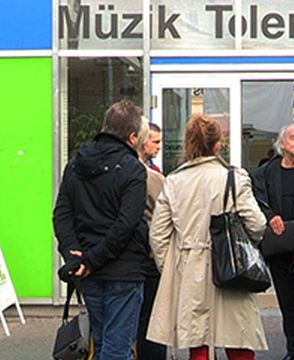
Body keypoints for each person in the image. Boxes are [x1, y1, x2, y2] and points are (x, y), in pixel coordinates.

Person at [146, 114, 268, 360]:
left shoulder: (174, 181)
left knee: (198, 343)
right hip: (232, 266)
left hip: (190, 268)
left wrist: (171, 267)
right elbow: (257, 223)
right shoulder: (234, 177)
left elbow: (158, 235)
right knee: (239, 341)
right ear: (217, 145)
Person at [53, 99, 151, 359]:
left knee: (102, 342)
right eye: (141, 137)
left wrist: (74, 254)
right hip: (123, 270)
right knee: (117, 349)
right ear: (131, 137)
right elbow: (127, 224)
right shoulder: (133, 169)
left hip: (87, 272)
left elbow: (62, 214)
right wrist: (90, 259)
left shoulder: (75, 164)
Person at [251, 124, 294, 360]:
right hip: (279, 247)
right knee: (288, 304)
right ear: (282, 144)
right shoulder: (265, 172)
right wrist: (271, 216)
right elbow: (255, 200)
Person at [135, 118, 168, 360]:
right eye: (155, 142)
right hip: (147, 257)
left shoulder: (153, 171)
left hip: (134, 256)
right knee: (151, 319)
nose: (158, 146)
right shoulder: (149, 176)